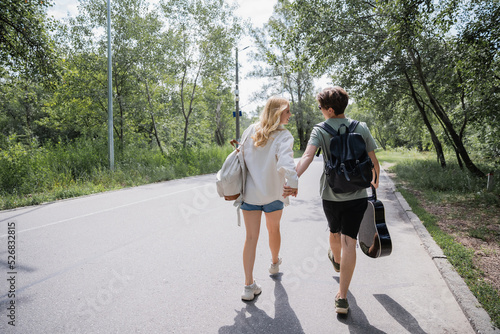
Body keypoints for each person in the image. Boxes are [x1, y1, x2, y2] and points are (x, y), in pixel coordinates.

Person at [284, 86, 380, 314]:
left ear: (328, 109)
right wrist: (374, 188)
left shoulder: (321, 129)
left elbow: (307, 156)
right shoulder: (362, 127)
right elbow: (374, 163)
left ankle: (336, 260)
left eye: (320, 107)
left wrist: (293, 179)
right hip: (358, 194)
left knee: (334, 232)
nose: (319, 111)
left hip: (331, 194)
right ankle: (342, 298)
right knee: (350, 242)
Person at [239, 96, 298, 301]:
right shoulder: (283, 136)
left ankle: (248, 286)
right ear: (277, 112)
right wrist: (293, 183)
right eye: (287, 111)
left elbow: (241, 158)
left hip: (250, 194)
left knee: (251, 238)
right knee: (273, 230)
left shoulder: (250, 131)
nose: (290, 115)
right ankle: (274, 263)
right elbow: (286, 162)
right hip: (274, 193)